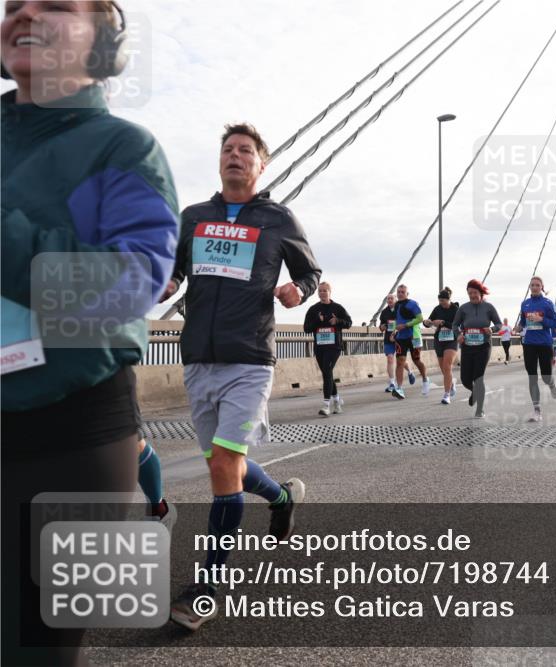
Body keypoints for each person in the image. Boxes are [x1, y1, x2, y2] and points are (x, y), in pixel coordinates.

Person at [1, 2, 179, 661]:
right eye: (12, 4)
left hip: (75, 439)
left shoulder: (126, 148)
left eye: (53, 3)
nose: (23, 13)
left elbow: (130, 285)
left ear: (103, 39)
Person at [159, 122, 321, 630]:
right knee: (222, 466)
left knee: (225, 464)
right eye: (228, 149)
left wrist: (301, 290)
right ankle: (282, 496)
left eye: (245, 150)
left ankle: (205, 585)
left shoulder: (278, 218)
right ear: (220, 160)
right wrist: (166, 283)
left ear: (261, 164)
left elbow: (311, 273)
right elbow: (178, 271)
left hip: (250, 358)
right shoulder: (195, 217)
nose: (235, 156)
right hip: (198, 358)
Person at [453, 279, 502, 418]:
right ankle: (475, 392)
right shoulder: (463, 308)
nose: (472, 295)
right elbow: (455, 325)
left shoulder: (489, 307)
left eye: (474, 293)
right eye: (470, 293)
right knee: (465, 379)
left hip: (483, 347)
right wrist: (458, 335)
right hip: (467, 347)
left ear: (480, 293)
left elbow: (498, 324)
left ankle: (479, 409)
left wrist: (492, 329)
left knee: (478, 377)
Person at [514, 276, 556, 422]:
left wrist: (542, 320)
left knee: (546, 377)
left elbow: (555, 323)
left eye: (537, 285)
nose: (534, 287)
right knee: (532, 377)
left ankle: (552, 384)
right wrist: (519, 327)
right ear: (529, 287)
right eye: (532, 285)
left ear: (542, 287)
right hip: (529, 344)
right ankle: (537, 410)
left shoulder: (547, 303)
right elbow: (523, 322)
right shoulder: (525, 304)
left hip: (545, 344)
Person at [303, 281, 352, 415]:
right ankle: (337, 400)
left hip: (334, 346)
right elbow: (306, 328)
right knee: (327, 373)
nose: (322, 293)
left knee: (327, 370)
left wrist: (338, 321)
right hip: (320, 347)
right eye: (320, 291)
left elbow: (349, 323)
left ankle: (326, 405)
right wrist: (317, 321)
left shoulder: (338, 308)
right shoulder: (313, 309)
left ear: (330, 292)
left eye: (325, 290)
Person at [390, 284, 430, 399]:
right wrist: (394, 332)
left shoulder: (412, 304)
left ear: (407, 293)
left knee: (416, 360)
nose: (400, 293)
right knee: (400, 362)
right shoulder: (397, 305)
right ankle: (399, 388)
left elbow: (420, 318)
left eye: (403, 292)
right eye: (399, 291)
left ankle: (425, 379)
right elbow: (397, 321)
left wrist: (406, 325)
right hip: (401, 337)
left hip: (414, 336)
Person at [425, 287, 459, 404]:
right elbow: (430, 321)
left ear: (449, 300)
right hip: (439, 340)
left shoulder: (455, 309)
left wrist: (444, 322)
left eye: (443, 301)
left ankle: (446, 395)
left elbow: (458, 326)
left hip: (452, 340)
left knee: (447, 366)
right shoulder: (437, 308)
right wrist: (427, 322)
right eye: (440, 301)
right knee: (443, 369)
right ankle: (452, 383)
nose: (441, 304)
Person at [379, 293, 415, 393]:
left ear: (395, 299)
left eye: (391, 298)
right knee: (390, 359)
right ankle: (392, 383)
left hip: (400, 338)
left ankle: (410, 372)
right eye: (388, 299)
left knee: (400, 360)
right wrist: (382, 327)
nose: (389, 300)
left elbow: (406, 322)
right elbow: (381, 326)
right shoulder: (384, 312)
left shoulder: (401, 309)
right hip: (388, 339)